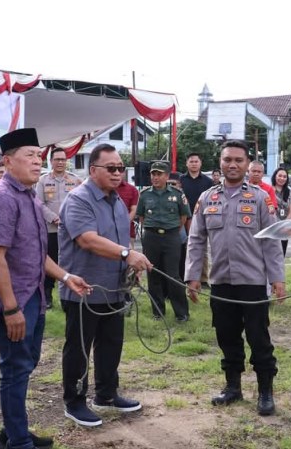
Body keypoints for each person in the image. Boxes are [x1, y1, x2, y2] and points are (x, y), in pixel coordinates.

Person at [0, 127, 89, 449]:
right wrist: (10, 308)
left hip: (34, 294)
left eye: (39, 155)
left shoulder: (27, 195)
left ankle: (12, 433)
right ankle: (19, 447)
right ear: (7, 161)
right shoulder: (0, 198)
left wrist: (66, 276)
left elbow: (35, 253)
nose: (37, 161)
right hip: (15, 300)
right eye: (30, 155)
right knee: (15, 369)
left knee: (24, 365)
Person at [185, 140, 286, 416]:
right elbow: (196, 240)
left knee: (258, 338)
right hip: (220, 282)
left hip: (252, 282)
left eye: (238, 160)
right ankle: (232, 387)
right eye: (227, 159)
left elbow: (272, 242)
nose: (232, 164)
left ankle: (265, 391)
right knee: (226, 336)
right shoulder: (207, 198)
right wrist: (193, 276)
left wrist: (277, 278)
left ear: (247, 164)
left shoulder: (259, 198)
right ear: (220, 162)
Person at [59, 143, 152, 427]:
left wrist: (129, 265)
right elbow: (87, 239)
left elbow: (122, 241)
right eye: (110, 168)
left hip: (113, 287)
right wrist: (127, 254)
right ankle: (74, 401)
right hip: (84, 289)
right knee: (79, 347)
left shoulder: (117, 200)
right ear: (93, 170)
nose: (117, 173)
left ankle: (106, 394)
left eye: (120, 168)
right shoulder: (78, 200)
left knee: (111, 343)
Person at [136, 161, 191, 323]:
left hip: (171, 237)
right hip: (151, 237)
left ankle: (182, 313)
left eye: (159, 174)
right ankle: (157, 312)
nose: (155, 177)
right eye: (153, 174)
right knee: (153, 274)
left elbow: (183, 217)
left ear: (167, 176)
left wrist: (171, 229)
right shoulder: (145, 194)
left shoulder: (177, 194)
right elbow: (141, 217)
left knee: (173, 276)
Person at [35, 149, 82, 309]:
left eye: (63, 159)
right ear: (51, 161)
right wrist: (53, 218)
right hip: (51, 229)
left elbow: (81, 203)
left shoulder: (75, 180)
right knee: (50, 261)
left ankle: (70, 295)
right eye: (57, 159)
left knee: (70, 262)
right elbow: (38, 204)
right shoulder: (43, 180)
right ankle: (47, 295)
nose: (60, 162)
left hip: (71, 230)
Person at [180, 153, 213, 283]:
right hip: (183, 218)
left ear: (200, 163)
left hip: (202, 218)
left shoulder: (208, 182)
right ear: (187, 163)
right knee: (183, 248)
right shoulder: (180, 180)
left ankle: (203, 279)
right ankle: (185, 277)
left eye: (196, 161)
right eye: (191, 161)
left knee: (202, 248)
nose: (194, 164)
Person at [271, 167, 291, 256]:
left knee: (281, 253)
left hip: (284, 227)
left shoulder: (290, 192)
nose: (282, 178)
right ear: (275, 176)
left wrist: (285, 224)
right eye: (280, 176)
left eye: (284, 177)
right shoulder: (269, 190)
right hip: (271, 226)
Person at [116, 171, 140, 249]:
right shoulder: (103, 188)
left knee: (128, 256)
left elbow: (134, 210)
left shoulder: (132, 189)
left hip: (127, 231)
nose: (117, 172)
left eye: (121, 169)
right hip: (105, 232)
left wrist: (123, 224)